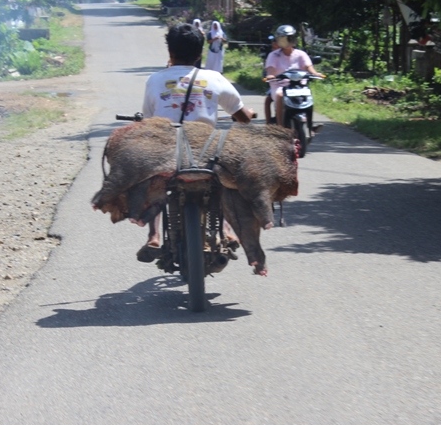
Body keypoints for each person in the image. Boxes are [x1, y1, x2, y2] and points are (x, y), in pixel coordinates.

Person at [139, 22, 254, 260]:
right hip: (205, 151)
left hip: (168, 151)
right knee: (229, 179)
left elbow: (149, 122)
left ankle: (154, 236)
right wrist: (248, 114)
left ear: (170, 53)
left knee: (153, 181)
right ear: (200, 53)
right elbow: (242, 117)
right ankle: (227, 229)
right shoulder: (214, 78)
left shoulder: (154, 80)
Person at [265, 24, 324, 131]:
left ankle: (310, 125)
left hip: (299, 86)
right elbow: (271, 70)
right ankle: (280, 127)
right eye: (283, 39)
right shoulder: (274, 55)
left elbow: (308, 67)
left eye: (289, 38)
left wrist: (316, 74)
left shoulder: (301, 54)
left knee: (308, 95)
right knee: (280, 95)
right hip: (280, 86)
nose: (287, 41)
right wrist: (270, 75)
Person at [262, 34, 279, 124]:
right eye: (274, 42)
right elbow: (267, 70)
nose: (275, 44)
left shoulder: (292, 53)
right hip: (276, 83)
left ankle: (308, 124)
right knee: (268, 99)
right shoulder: (272, 55)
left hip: (292, 83)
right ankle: (268, 123)